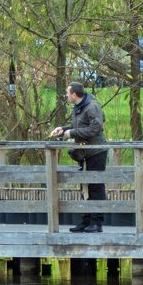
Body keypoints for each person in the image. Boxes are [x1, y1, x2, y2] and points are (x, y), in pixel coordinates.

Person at [51, 81, 107, 233]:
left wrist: (73, 133)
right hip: (84, 153)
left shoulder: (92, 106)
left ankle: (97, 222)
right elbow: (78, 127)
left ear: (74, 95)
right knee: (84, 187)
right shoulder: (78, 108)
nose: (67, 96)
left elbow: (96, 128)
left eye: (68, 94)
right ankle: (86, 221)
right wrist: (63, 130)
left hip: (96, 152)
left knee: (95, 186)